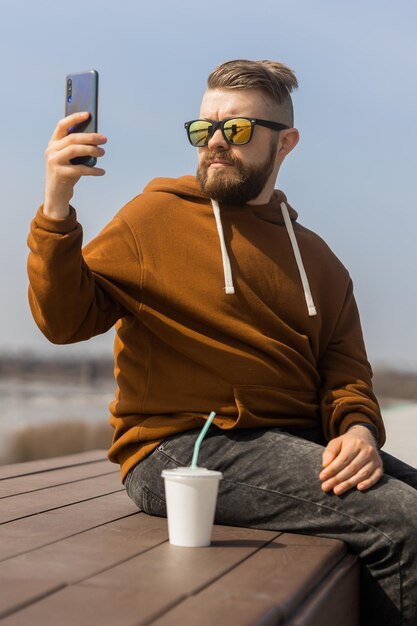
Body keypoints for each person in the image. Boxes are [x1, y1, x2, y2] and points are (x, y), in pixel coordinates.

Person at [27, 59, 417, 625]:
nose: (214, 142)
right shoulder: (152, 219)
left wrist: (357, 428)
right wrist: (56, 204)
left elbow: (346, 371)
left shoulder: (319, 261)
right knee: (404, 523)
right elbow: (63, 321)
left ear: (286, 143)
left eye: (234, 129)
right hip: (181, 449)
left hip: (295, 443)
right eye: (203, 128)